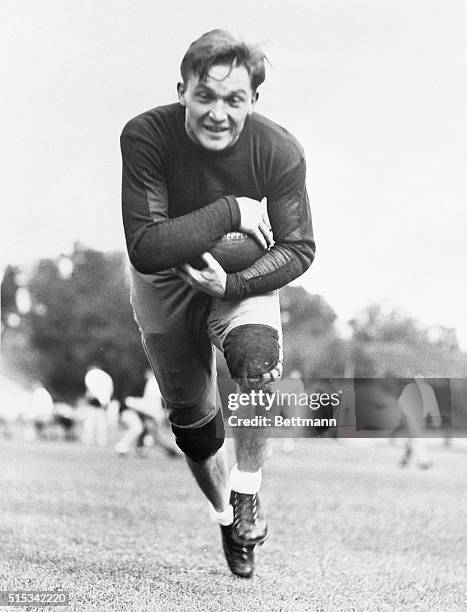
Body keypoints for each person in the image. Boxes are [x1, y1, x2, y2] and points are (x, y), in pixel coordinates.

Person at [120, 30, 315, 578]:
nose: (218, 113)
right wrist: (232, 209)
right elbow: (147, 245)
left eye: (235, 100)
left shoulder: (279, 150)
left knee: (257, 361)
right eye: (204, 96)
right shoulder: (146, 135)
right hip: (162, 278)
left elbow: (299, 248)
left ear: (254, 100)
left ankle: (248, 489)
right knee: (195, 429)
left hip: (236, 274)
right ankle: (226, 513)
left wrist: (229, 287)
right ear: (181, 90)